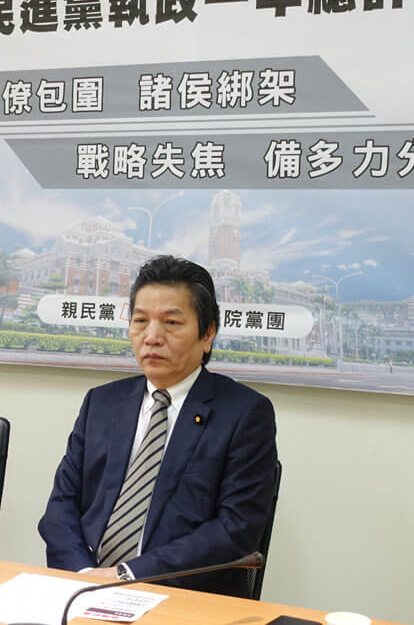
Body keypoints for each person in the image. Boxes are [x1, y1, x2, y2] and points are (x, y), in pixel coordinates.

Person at [38, 255, 277, 597]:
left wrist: (127, 575)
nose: (151, 337)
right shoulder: (101, 403)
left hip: (181, 597)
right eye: (140, 320)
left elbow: (234, 529)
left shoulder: (244, 414)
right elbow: (61, 505)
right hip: (83, 588)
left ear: (207, 334)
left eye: (171, 322)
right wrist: (84, 575)